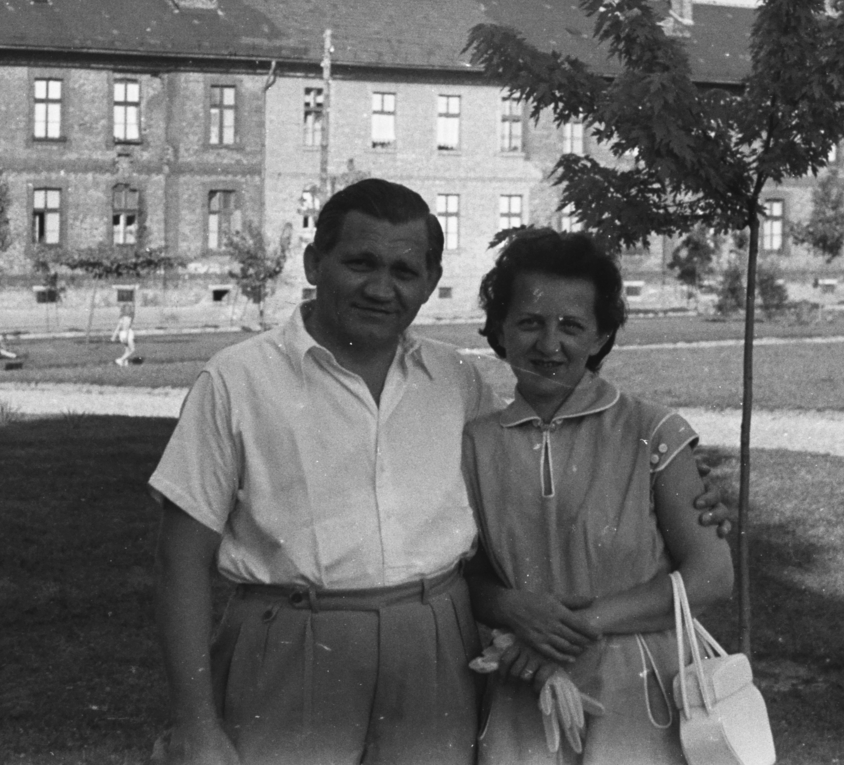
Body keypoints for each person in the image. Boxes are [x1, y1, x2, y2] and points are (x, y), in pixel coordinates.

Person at [148, 179, 729, 765]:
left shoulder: (453, 381)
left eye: (404, 271)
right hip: (292, 642)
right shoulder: (237, 380)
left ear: (428, 282)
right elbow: (181, 560)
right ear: (313, 262)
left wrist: (686, 487)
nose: (382, 288)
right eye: (360, 263)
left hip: (433, 650)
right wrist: (195, 724)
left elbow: (511, 505)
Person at [464, 229, 734, 762]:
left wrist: (574, 628)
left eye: (571, 326)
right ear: (499, 330)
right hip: (523, 685)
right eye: (529, 322)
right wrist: (511, 609)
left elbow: (712, 576)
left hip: (636, 690)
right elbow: (461, 571)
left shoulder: (653, 430)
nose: (549, 344)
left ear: (601, 334)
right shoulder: (474, 441)